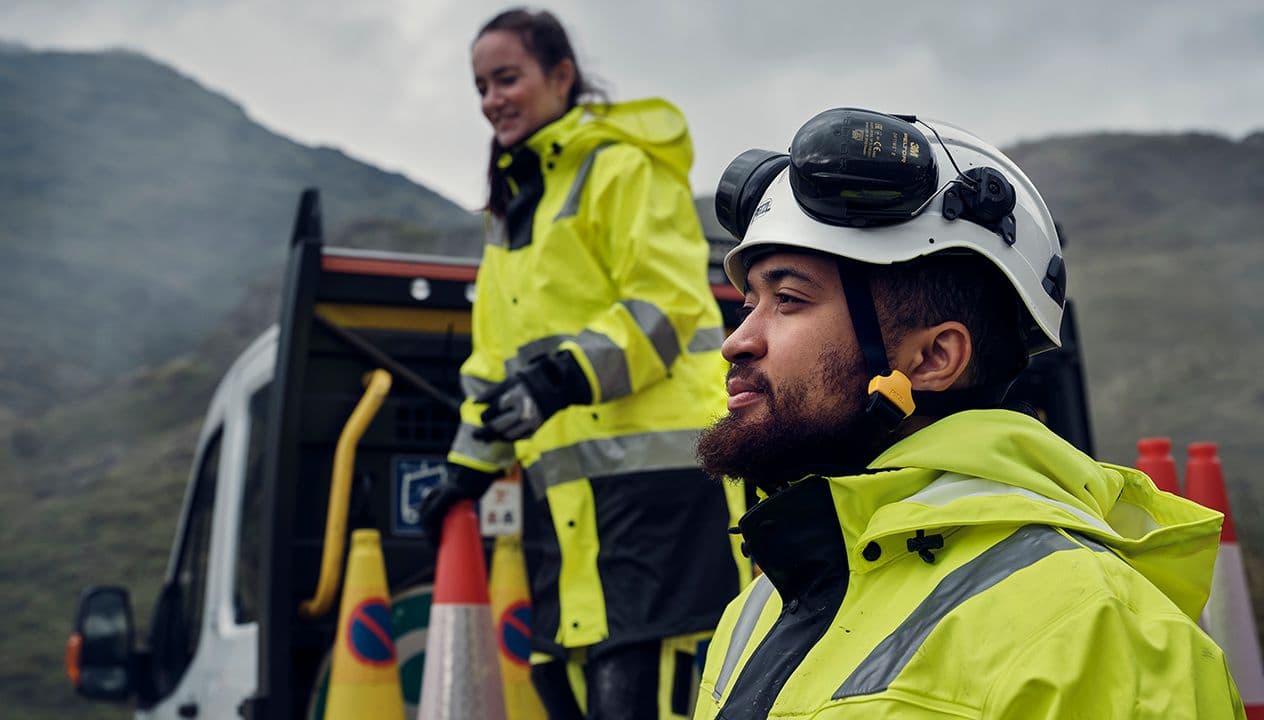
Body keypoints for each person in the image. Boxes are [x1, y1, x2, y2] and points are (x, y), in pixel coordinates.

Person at [691, 107, 1245, 718]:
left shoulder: (1094, 628)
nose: (737, 340)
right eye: (750, 303)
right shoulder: (761, 606)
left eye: (788, 300)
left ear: (932, 358)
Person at [418, 8, 749, 719]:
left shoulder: (623, 165)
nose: (492, 101)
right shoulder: (511, 207)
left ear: (561, 75)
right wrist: (465, 467)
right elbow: (495, 362)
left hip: (658, 489)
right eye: (480, 87)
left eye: (507, 79)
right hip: (566, 500)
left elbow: (666, 305)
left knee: (641, 693)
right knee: (563, 685)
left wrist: (562, 377)